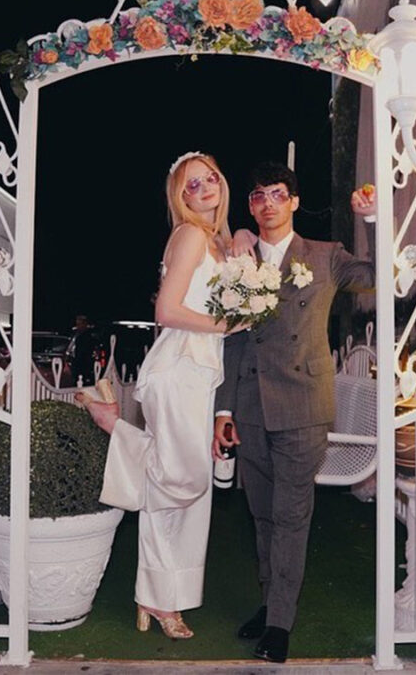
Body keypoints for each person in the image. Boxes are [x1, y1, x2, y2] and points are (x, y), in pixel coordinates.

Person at [212, 161, 377, 663]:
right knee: (262, 514)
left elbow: (377, 277)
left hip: (304, 404)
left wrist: (371, 221)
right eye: (258, 195)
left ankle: (279, 624)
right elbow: (231, 339)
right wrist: (224, 410)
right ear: (250, 206)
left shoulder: (325, 256)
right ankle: (271, 604)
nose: (268, 203)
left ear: (295, 202)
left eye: (277, 194)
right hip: (251, 404)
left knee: (290, 516)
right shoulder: (239, 260)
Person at [77, 152, 243, 640]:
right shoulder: (190, 234)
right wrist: (225, 325)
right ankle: (113, 424)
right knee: (180, 479)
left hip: (200, 372)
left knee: (188, 490)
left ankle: (162, 597)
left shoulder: (215, 240)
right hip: (178, 367)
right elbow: (167, 311)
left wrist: (241, 245)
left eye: (210, 178)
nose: (205, 187)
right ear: (180, 197)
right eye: (193, 184)